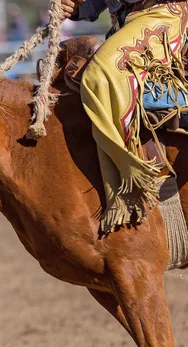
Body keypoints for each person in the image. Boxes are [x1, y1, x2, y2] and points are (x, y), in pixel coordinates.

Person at [63, 0, 188, 232]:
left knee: (98, 76)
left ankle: (132, 179)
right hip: (123, 26)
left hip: (161, 17)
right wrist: (78, 8)